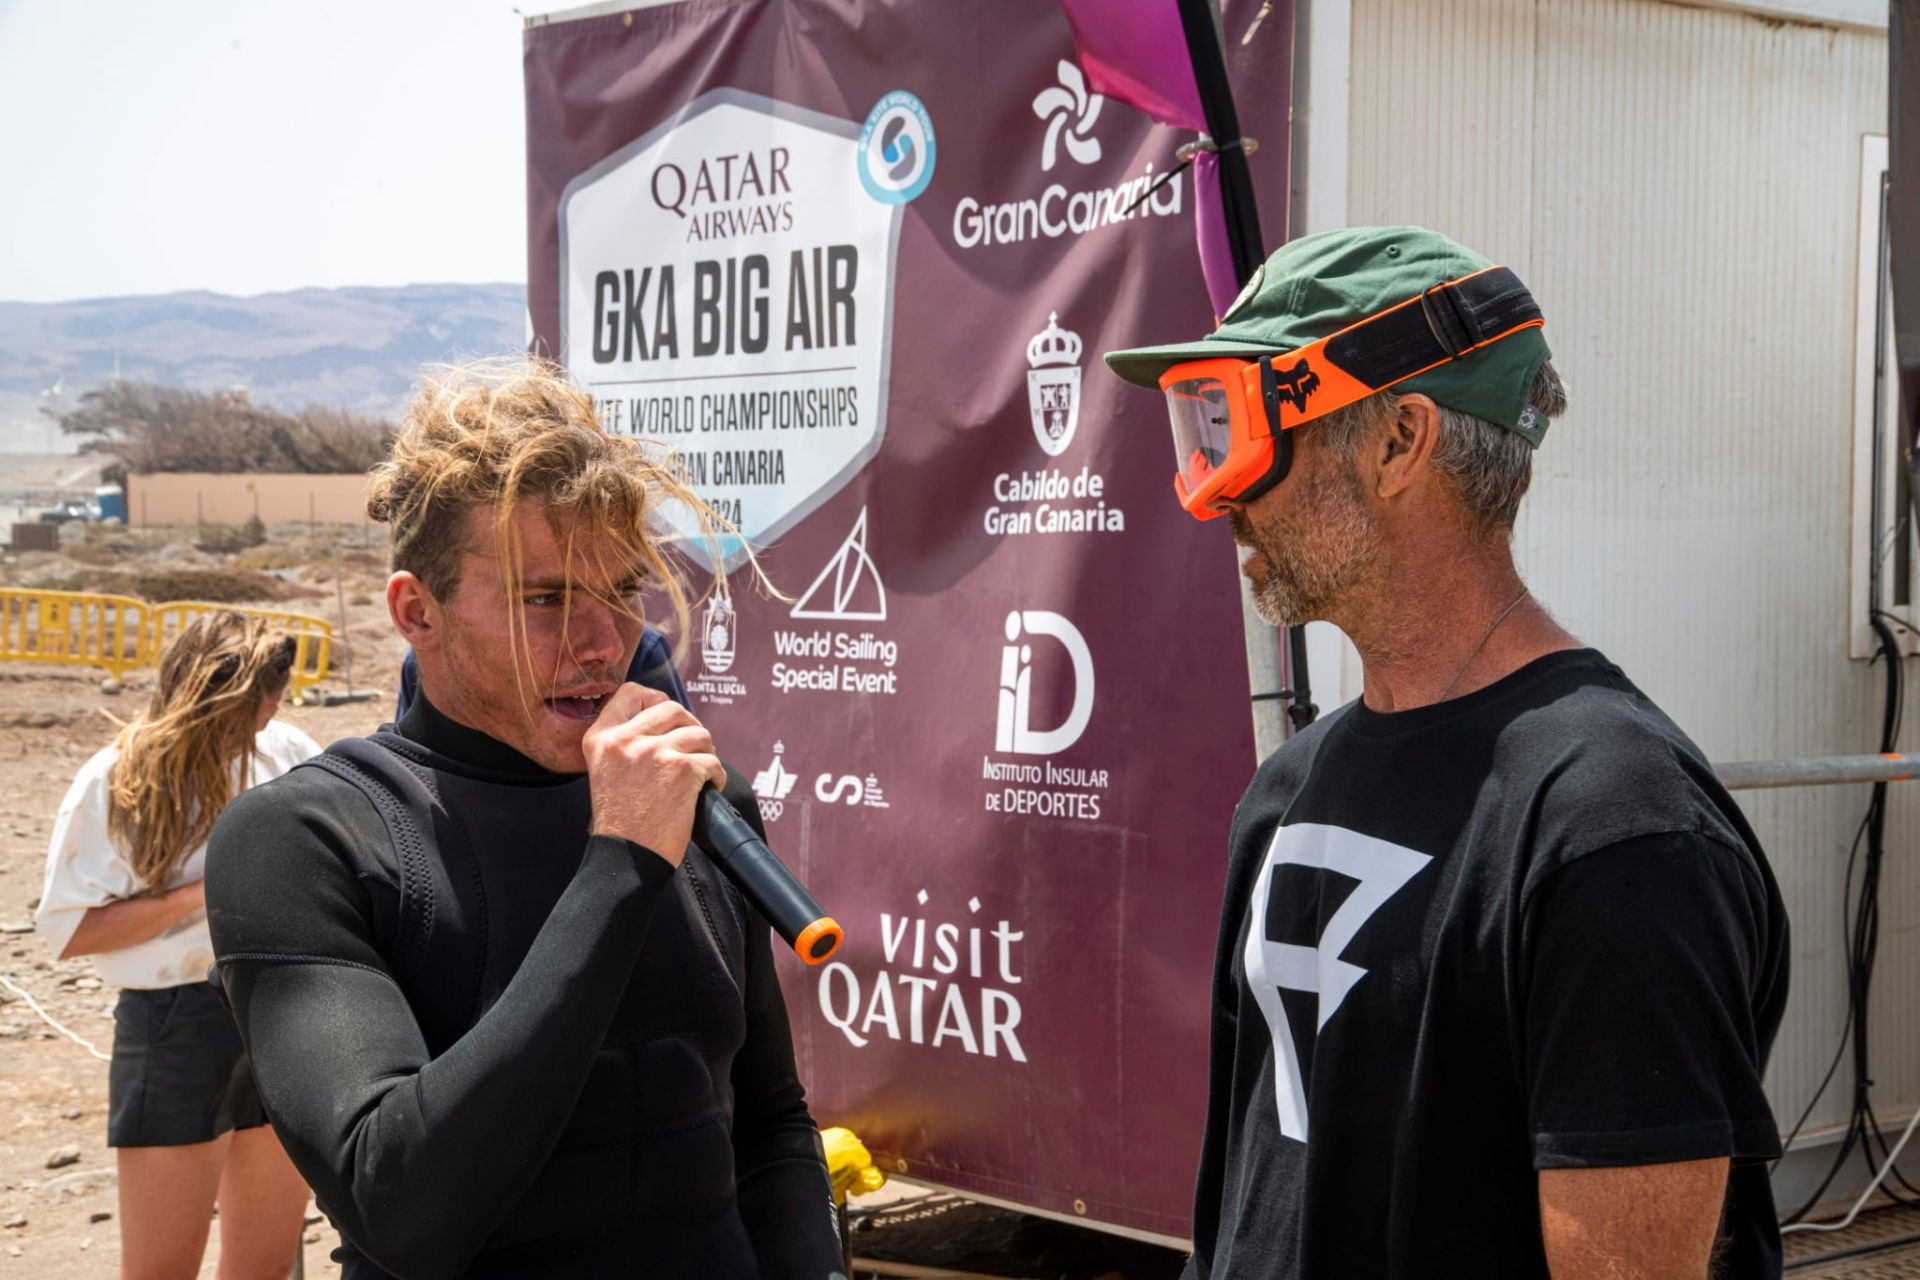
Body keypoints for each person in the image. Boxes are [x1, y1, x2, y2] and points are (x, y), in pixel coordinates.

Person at [1102, 226, 1789, 1279]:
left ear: (1398, 440)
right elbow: (1256, 1193)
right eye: (1200, 431)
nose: (1217, 491)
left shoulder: (1615, 826)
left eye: (1237, 429)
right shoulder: (1289, 790)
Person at [204, 360, 842, 1280]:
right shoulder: (308, 840)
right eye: (544, 599)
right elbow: (401, 1208)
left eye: (621, 590)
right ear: (415, 611)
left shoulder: (698, 805)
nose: (600, 641)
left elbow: (771, 1121)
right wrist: (619, 862)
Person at [35, 611, 318, 1280]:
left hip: (277, 1012)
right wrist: (211, 889)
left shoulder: (287, 750)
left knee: (266, 1266)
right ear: (211, 692)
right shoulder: (116, 778)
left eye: (277, 693)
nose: (271, 709)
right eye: (259, 696)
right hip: (174, 1024)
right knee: (161, 1270)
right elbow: (71, 931)